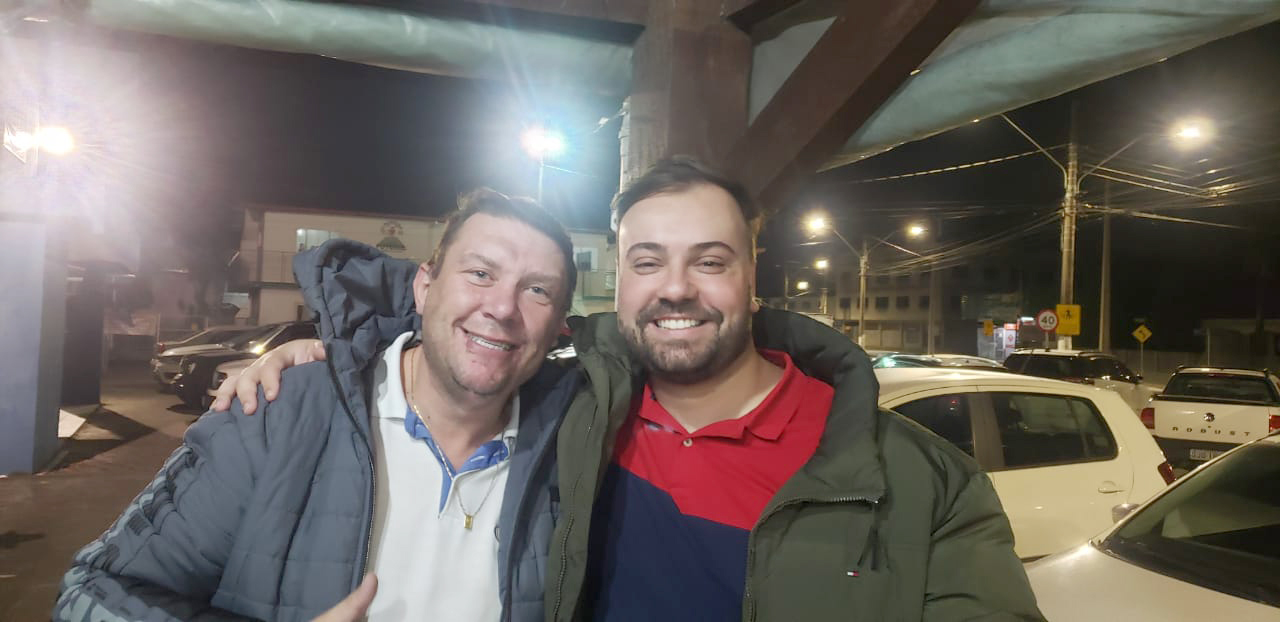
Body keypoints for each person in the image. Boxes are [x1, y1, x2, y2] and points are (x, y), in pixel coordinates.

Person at [218, 157, 1045, 620]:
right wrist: (337, 359)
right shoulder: (569, 409)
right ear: (620, 282)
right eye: (649, 261)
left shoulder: (925, 486)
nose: (676, 287)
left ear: (753, 277)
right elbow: (467, 330)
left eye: (709, 260)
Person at [54, 189, 581, 622]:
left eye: (537, 290)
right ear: (423, 288)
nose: (502, 307)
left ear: (560, 323)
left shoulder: (573, 445)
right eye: (481, 274)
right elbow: (92, 593)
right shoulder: (277, 413)